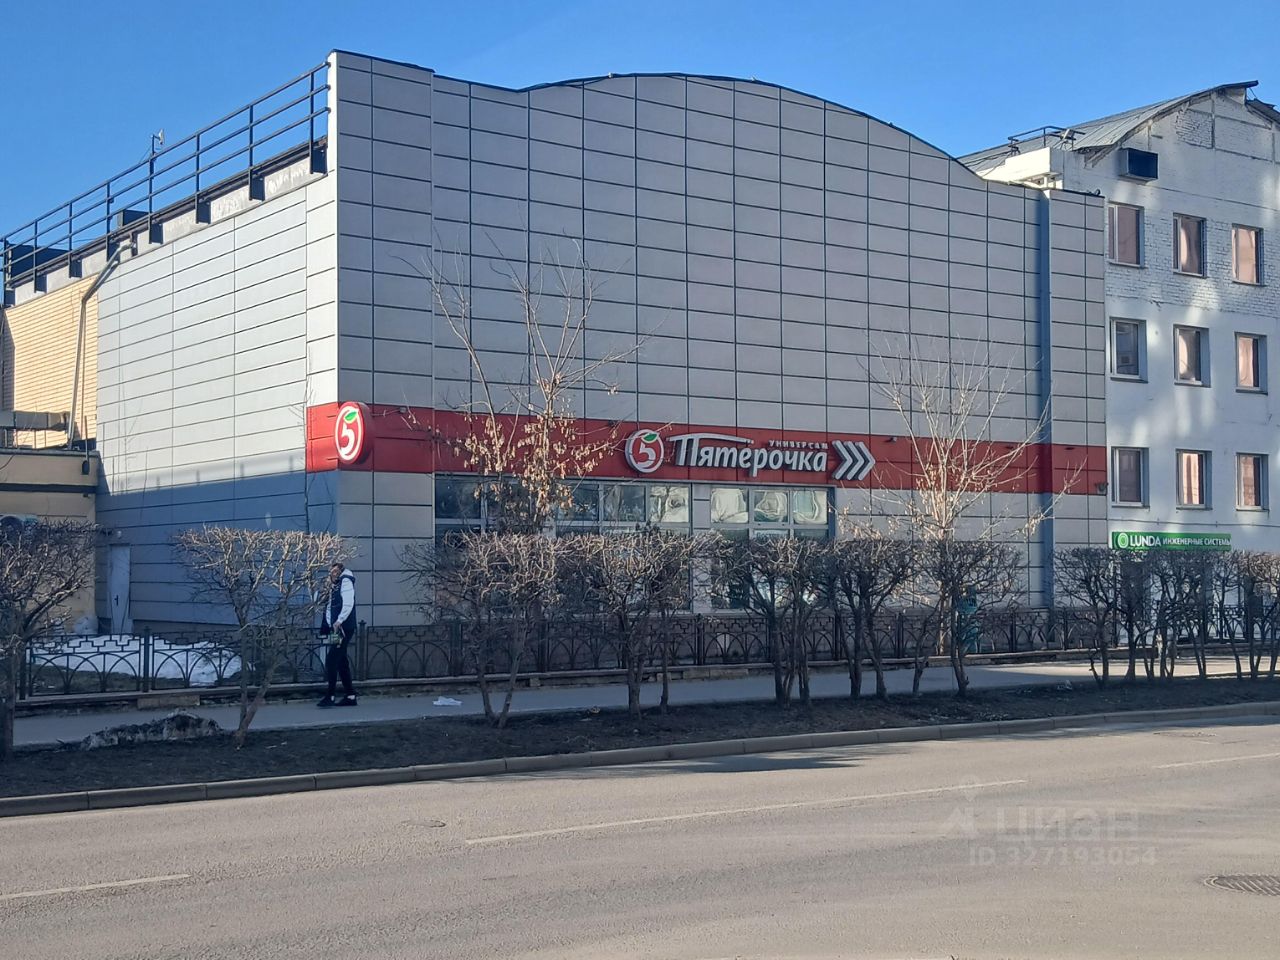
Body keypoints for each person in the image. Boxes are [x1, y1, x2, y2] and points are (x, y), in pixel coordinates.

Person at [317, 562, 358, 708]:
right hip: (335, 628)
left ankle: (330, 696)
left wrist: (339, 620)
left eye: (335, 571)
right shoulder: (334, 584)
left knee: (331, 659)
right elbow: (326, 605)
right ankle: (350, 695)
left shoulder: (345, 582)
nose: (332, 574)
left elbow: (348, 603)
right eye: (331, 571)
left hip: (343, 628)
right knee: (341, 660)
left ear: (340, 571)